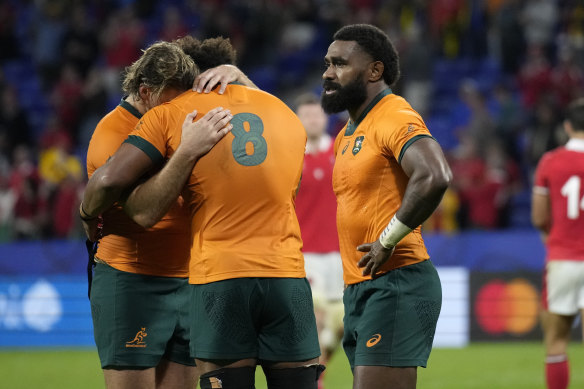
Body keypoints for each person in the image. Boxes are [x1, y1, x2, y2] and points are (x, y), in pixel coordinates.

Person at [81, 38, 324, 389]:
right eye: (176, 97)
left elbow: (263, 126)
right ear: (146, 92)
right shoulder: (114, 131)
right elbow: (115, 194)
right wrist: (86, 215)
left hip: (192, 277)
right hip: (133, 279)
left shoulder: (186, 115)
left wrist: (240, 80)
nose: (188, 105)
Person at [321, 24, 452, 389]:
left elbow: (435, 175)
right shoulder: (346, 135)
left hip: (397, 282)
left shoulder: (395, 115)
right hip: (359, 287)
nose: (328, 73)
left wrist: (387, 240)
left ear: (375, 71)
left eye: (340, 64)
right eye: (328, 63)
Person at [532, 98, 584, 389]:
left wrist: (549, 235)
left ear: (567, 127)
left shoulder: (551, 161)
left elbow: (540, 217)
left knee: (555, 342)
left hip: (563, 259)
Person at [293, 93, 344, 388]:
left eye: (317, 115)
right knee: (315, 318)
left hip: (339, 254)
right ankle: (316, 381)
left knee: (338, 327)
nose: (313, 120)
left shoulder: (339, 152)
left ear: (324, 119)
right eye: (307, 116)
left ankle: (319, 369)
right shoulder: (291, 155)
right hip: (305, 253)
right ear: (298, 120)